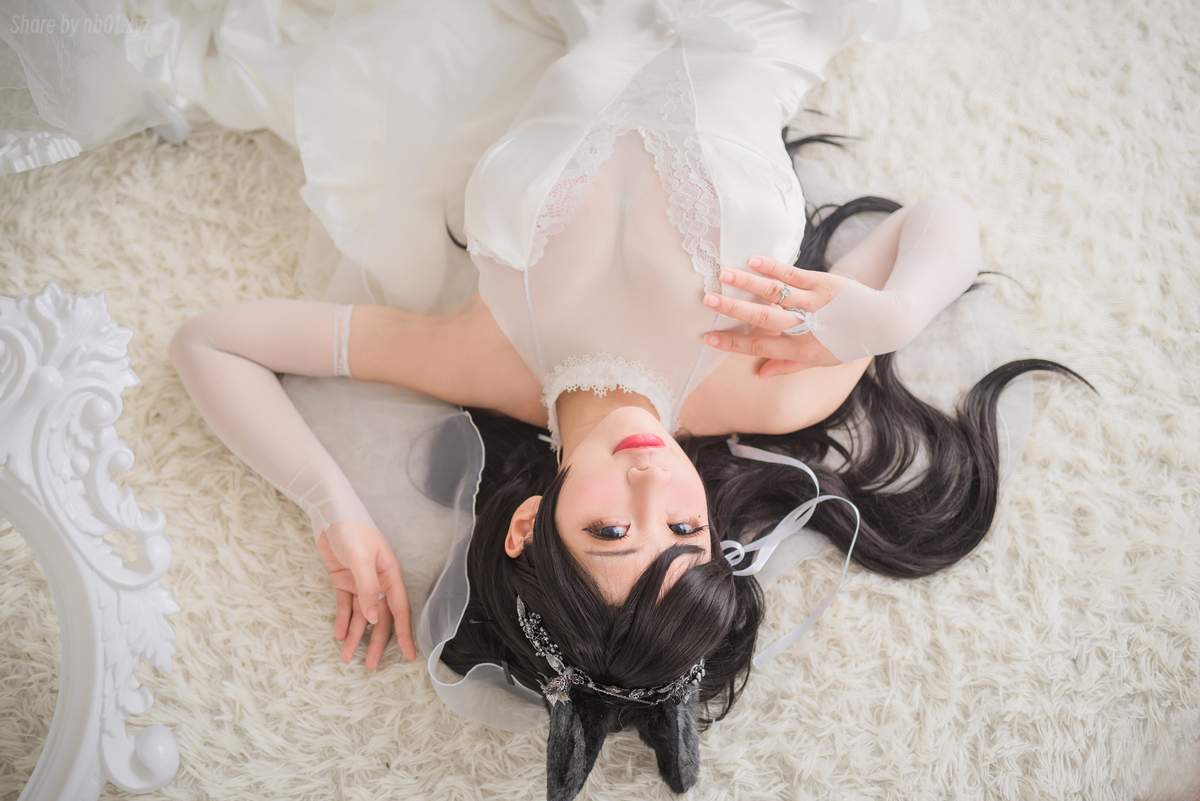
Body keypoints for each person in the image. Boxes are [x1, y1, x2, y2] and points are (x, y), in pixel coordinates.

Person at [162, 1, 1097, 799]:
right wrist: (890, 314)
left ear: (524, 524)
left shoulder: (477, 359)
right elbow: (945, 219)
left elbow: (210, 342)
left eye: (612, 531)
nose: (656, 487)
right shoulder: (768, 386)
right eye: (685, 531)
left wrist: (330, 505)